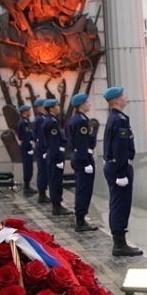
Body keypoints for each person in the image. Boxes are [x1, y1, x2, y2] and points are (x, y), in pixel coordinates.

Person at [101, 86, 142, 257]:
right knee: (120, 205)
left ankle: (120, 242)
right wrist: (121, 173)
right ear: (116, 100)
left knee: (118, 204)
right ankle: (119, 245)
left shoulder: (116, 118)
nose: (125, 97)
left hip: (117, 165)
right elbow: (119, 147)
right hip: (119, 167)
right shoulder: (118, 120)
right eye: (122, 95)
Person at [66, 93, 97, 232]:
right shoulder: (81, 121)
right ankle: (80, 220)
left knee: (82, 188)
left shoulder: (75, 119)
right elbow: (82, 143)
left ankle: (81, 218)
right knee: (84, 190)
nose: (89, 104)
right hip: (82, 158)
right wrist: (86, 162)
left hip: (78, 156)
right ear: (82, 104)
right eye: (87, 102)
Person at [40, 98, 67, 217]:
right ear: (51, 108)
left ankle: (57, 205)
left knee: (55, 181)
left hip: (53, 154)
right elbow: (54, 142)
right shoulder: (52, 123)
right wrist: (58, 159)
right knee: (55, 181)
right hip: (55, 155)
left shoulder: (50, 121)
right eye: (57, 106)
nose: (58, 107)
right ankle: (56, 206)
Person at [32, 97, 49, 204]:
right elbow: (39, 136)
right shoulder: (40, 119)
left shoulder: (41, 118)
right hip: (42, 148)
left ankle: (42, 193)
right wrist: (44, 150)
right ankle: (42, 194)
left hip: (41, 147)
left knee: (43, 171)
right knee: (43, 171)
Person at [15, 101, 35, 193]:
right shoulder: (24, 122)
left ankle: (27, 185)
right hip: (26, 146)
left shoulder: (24, 121)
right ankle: (27, 186)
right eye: (28, 110)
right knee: (27, 166)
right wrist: (29, 147)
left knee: (28, 166)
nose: (30, 112)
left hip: (25, 145)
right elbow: (26, 135)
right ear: (25, 112)